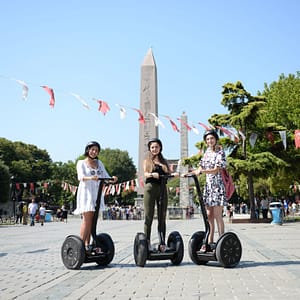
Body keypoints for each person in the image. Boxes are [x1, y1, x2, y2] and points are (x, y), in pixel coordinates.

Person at [73, 141, 117, 253]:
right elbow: (80, 177)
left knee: (93, 221)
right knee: (87, 221)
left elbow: (105, 176)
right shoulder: (81, 162)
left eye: (96, 150)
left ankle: (88, 245)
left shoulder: (99, 163)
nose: (94, 152)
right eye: (92, 149)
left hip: (97, 194)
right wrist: (91, 178)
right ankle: (81, 247)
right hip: (86, 193)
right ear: (87, 150)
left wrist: (112, 179)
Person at [189, 129, 227, 252]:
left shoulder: (220, 152)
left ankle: (221, 240)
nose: (210, 141)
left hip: (217, 186)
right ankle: (209, 241)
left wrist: (202, 171)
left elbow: (216, 170)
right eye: (208, 139)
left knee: (217, 215)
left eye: (212, 138)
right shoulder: (206, 153)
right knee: (209, 216)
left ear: (216, 139)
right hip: (209, 187)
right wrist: (193, 172)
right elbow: (201, 166)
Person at [143, 138, 178, 252]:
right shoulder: (147, 161)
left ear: (160, 148)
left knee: (162, 216)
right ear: (150, 149)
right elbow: (145, 173)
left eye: (156, 147)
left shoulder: (164, 161)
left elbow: (169, 173)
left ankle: (162, 242)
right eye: (152, 147)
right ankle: (146, 241)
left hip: (162, 188)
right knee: (149, 216)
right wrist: (152, 174)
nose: (154, 149)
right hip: (150, 188)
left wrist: (175, 174)